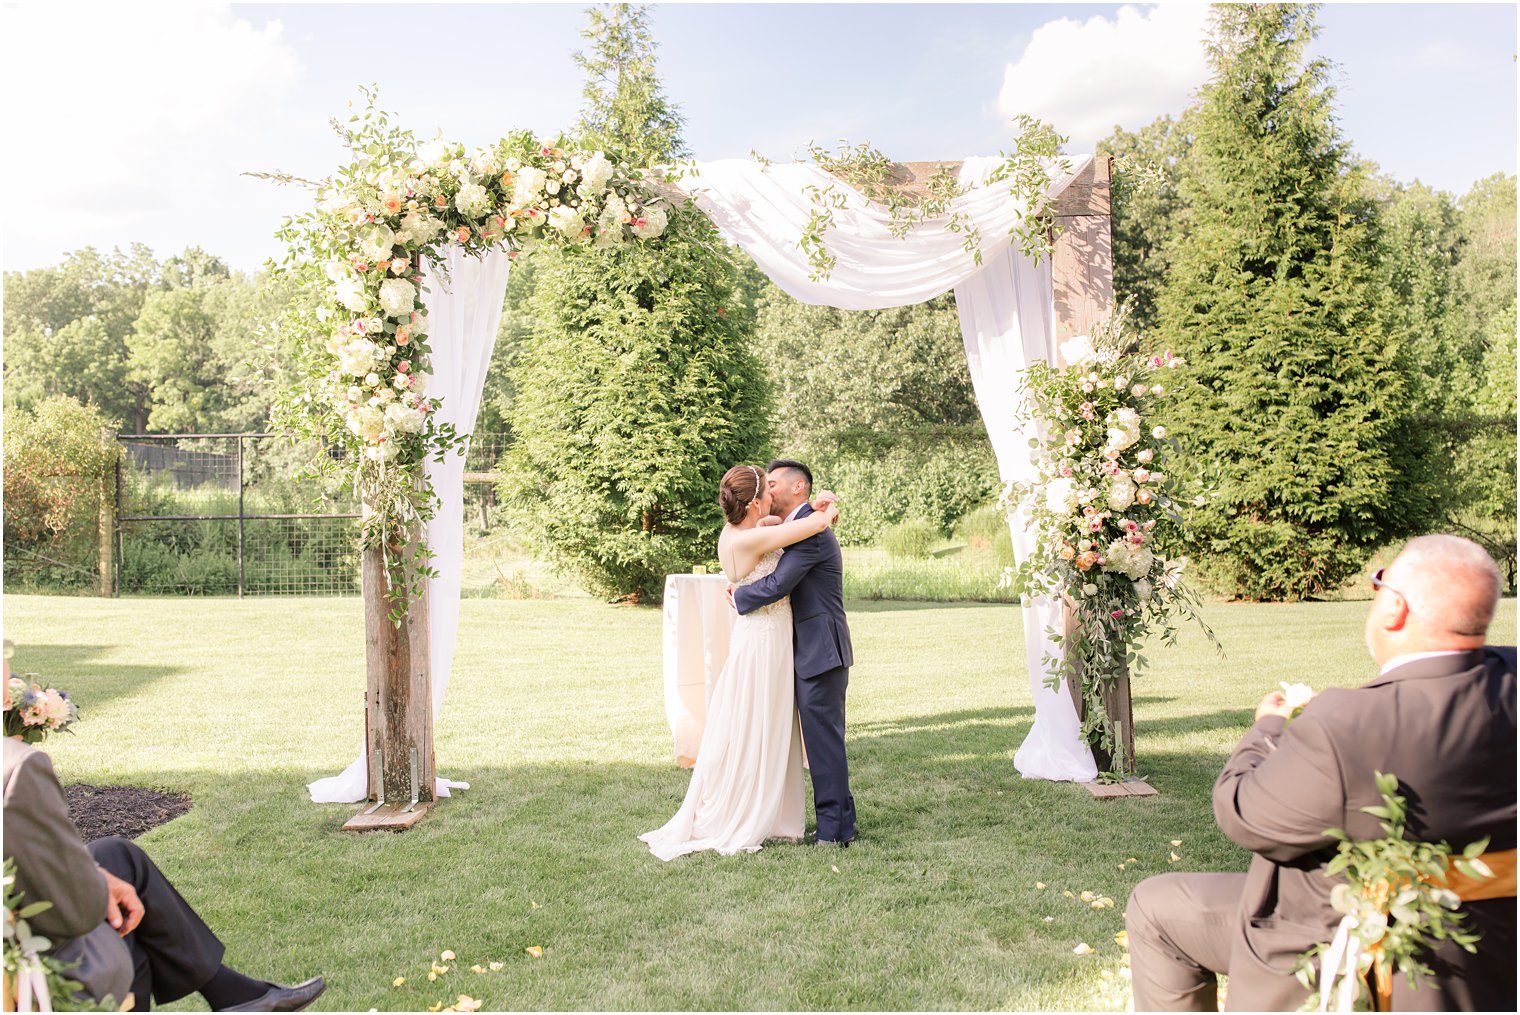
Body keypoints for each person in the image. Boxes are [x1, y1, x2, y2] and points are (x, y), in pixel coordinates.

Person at [1125, 534, 1516, 1011]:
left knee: (1155, 906)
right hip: (1496, 941)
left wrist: (1268, 730)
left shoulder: (1346, 724)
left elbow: (1245, 814)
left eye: (1378, 584)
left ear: (1395, 608)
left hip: (1349, 940)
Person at [2, 737, 326, 1012]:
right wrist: (98, 886)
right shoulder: (16, 768)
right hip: (29, 967)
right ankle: (236, 996)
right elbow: (77, 915)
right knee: (128, 928)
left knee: (116, 854)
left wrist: (95, 873)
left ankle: (234, 994)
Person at [640, 464, 841, 861]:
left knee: (764, 722)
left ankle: (769, 810)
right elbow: (811, 528)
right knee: (760, 722)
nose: (771, 491)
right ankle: (751, 811)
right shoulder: (761, 535)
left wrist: (808, 509)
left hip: (763, 636)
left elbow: (778, 526)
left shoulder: (742, 531)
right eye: (766, 486)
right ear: (754, 501)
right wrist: (827, 510)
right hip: (766, 639)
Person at [733, 459, 857, 848]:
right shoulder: (800, 526)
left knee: (823, 743)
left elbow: (778, 584)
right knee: (821, 741)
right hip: (811, 648)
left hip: (821, 650)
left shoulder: (812, 535)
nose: (767, 491)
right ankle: (840, 824)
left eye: (772, 484)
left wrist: (739, 595)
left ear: (797, 488)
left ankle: (834, 832)